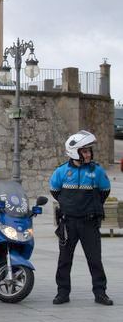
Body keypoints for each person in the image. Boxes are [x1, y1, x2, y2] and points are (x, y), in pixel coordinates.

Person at [50, 130, 113, 305]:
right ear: (74, 152)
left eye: (89, 151)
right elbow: (55, 192)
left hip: (89, 222)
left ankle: (100, 293)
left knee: (94, 259)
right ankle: (62, 293)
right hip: (68, 223)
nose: (88, 154)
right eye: (84, 151)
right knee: (64, 260)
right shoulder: (61, 171)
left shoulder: (97, 171)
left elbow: (104, 192)